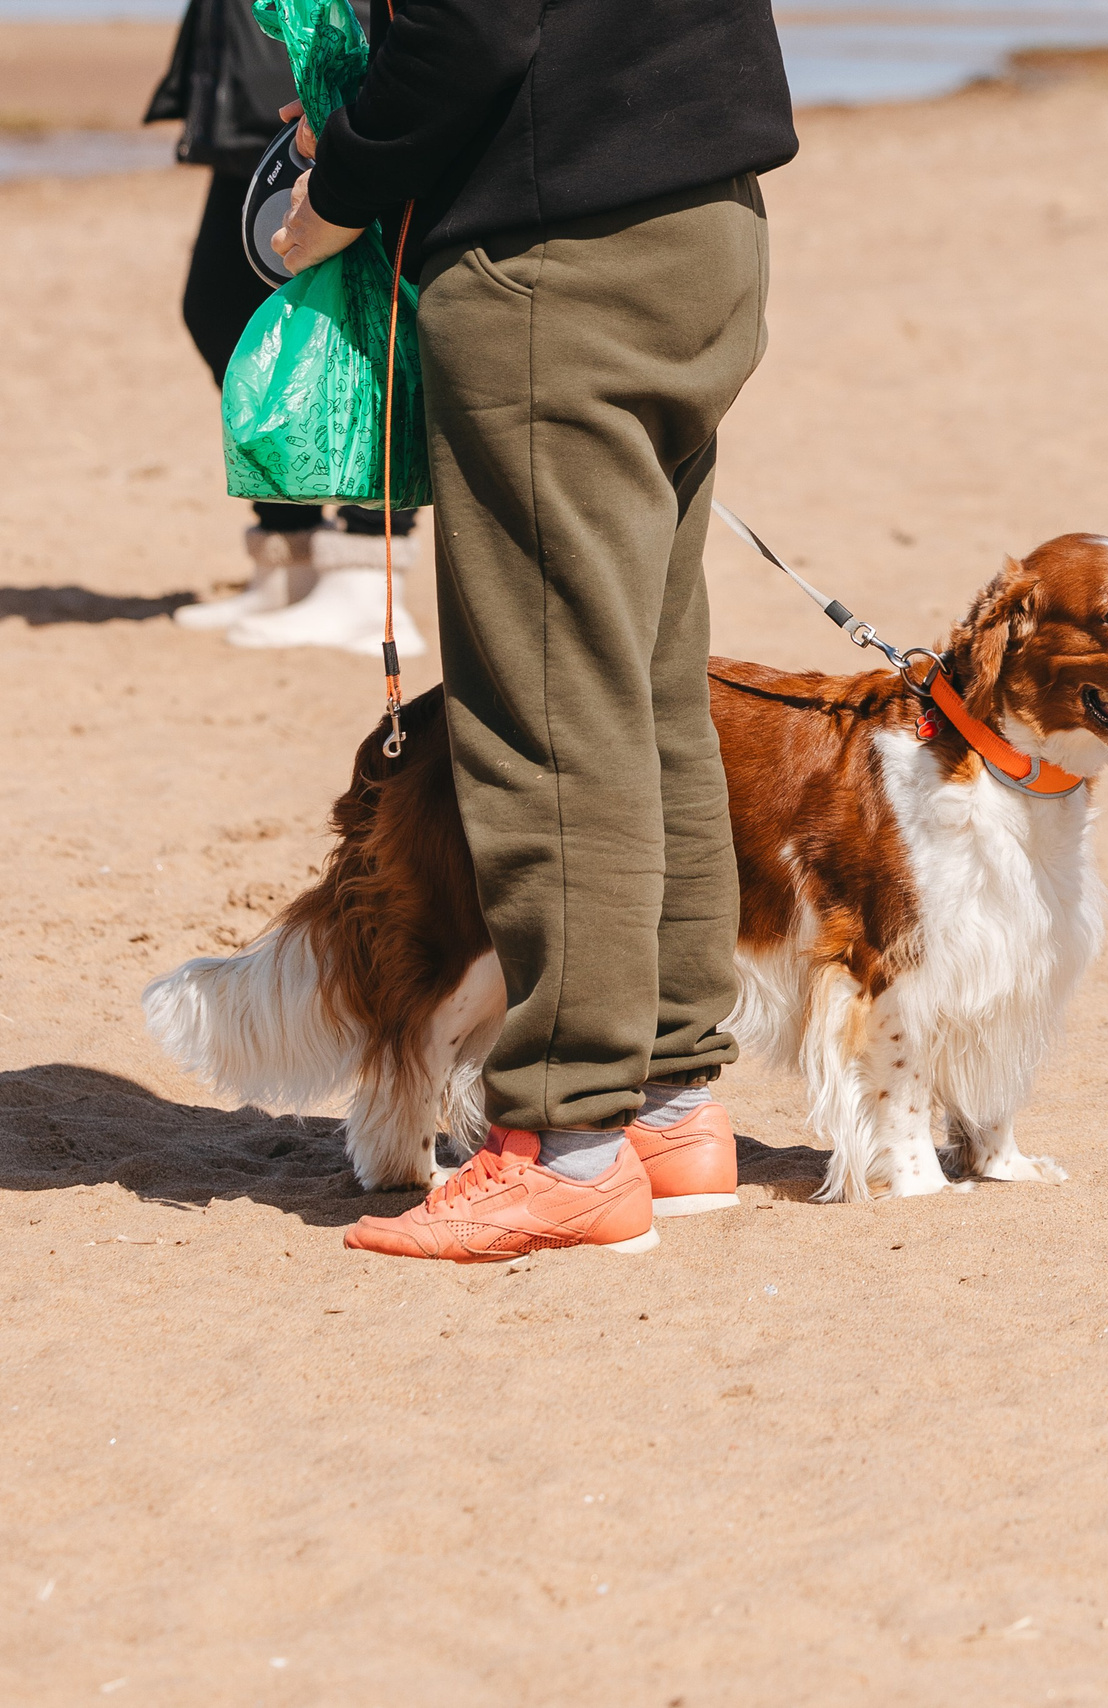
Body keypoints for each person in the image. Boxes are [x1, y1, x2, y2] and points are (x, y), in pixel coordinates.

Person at [264, 0, 798, 1261]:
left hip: (560, 248)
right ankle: (668, 1105)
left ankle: (565, 1142)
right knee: (646, 687)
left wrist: (334, 189)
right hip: (704, 223)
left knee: (544, 707)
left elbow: (476, 28)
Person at [146, 0, 424, 651]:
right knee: (218, 308)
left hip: (333, 50)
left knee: (359, 316)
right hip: (248, 72)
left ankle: (366, 570)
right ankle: (287, 558)